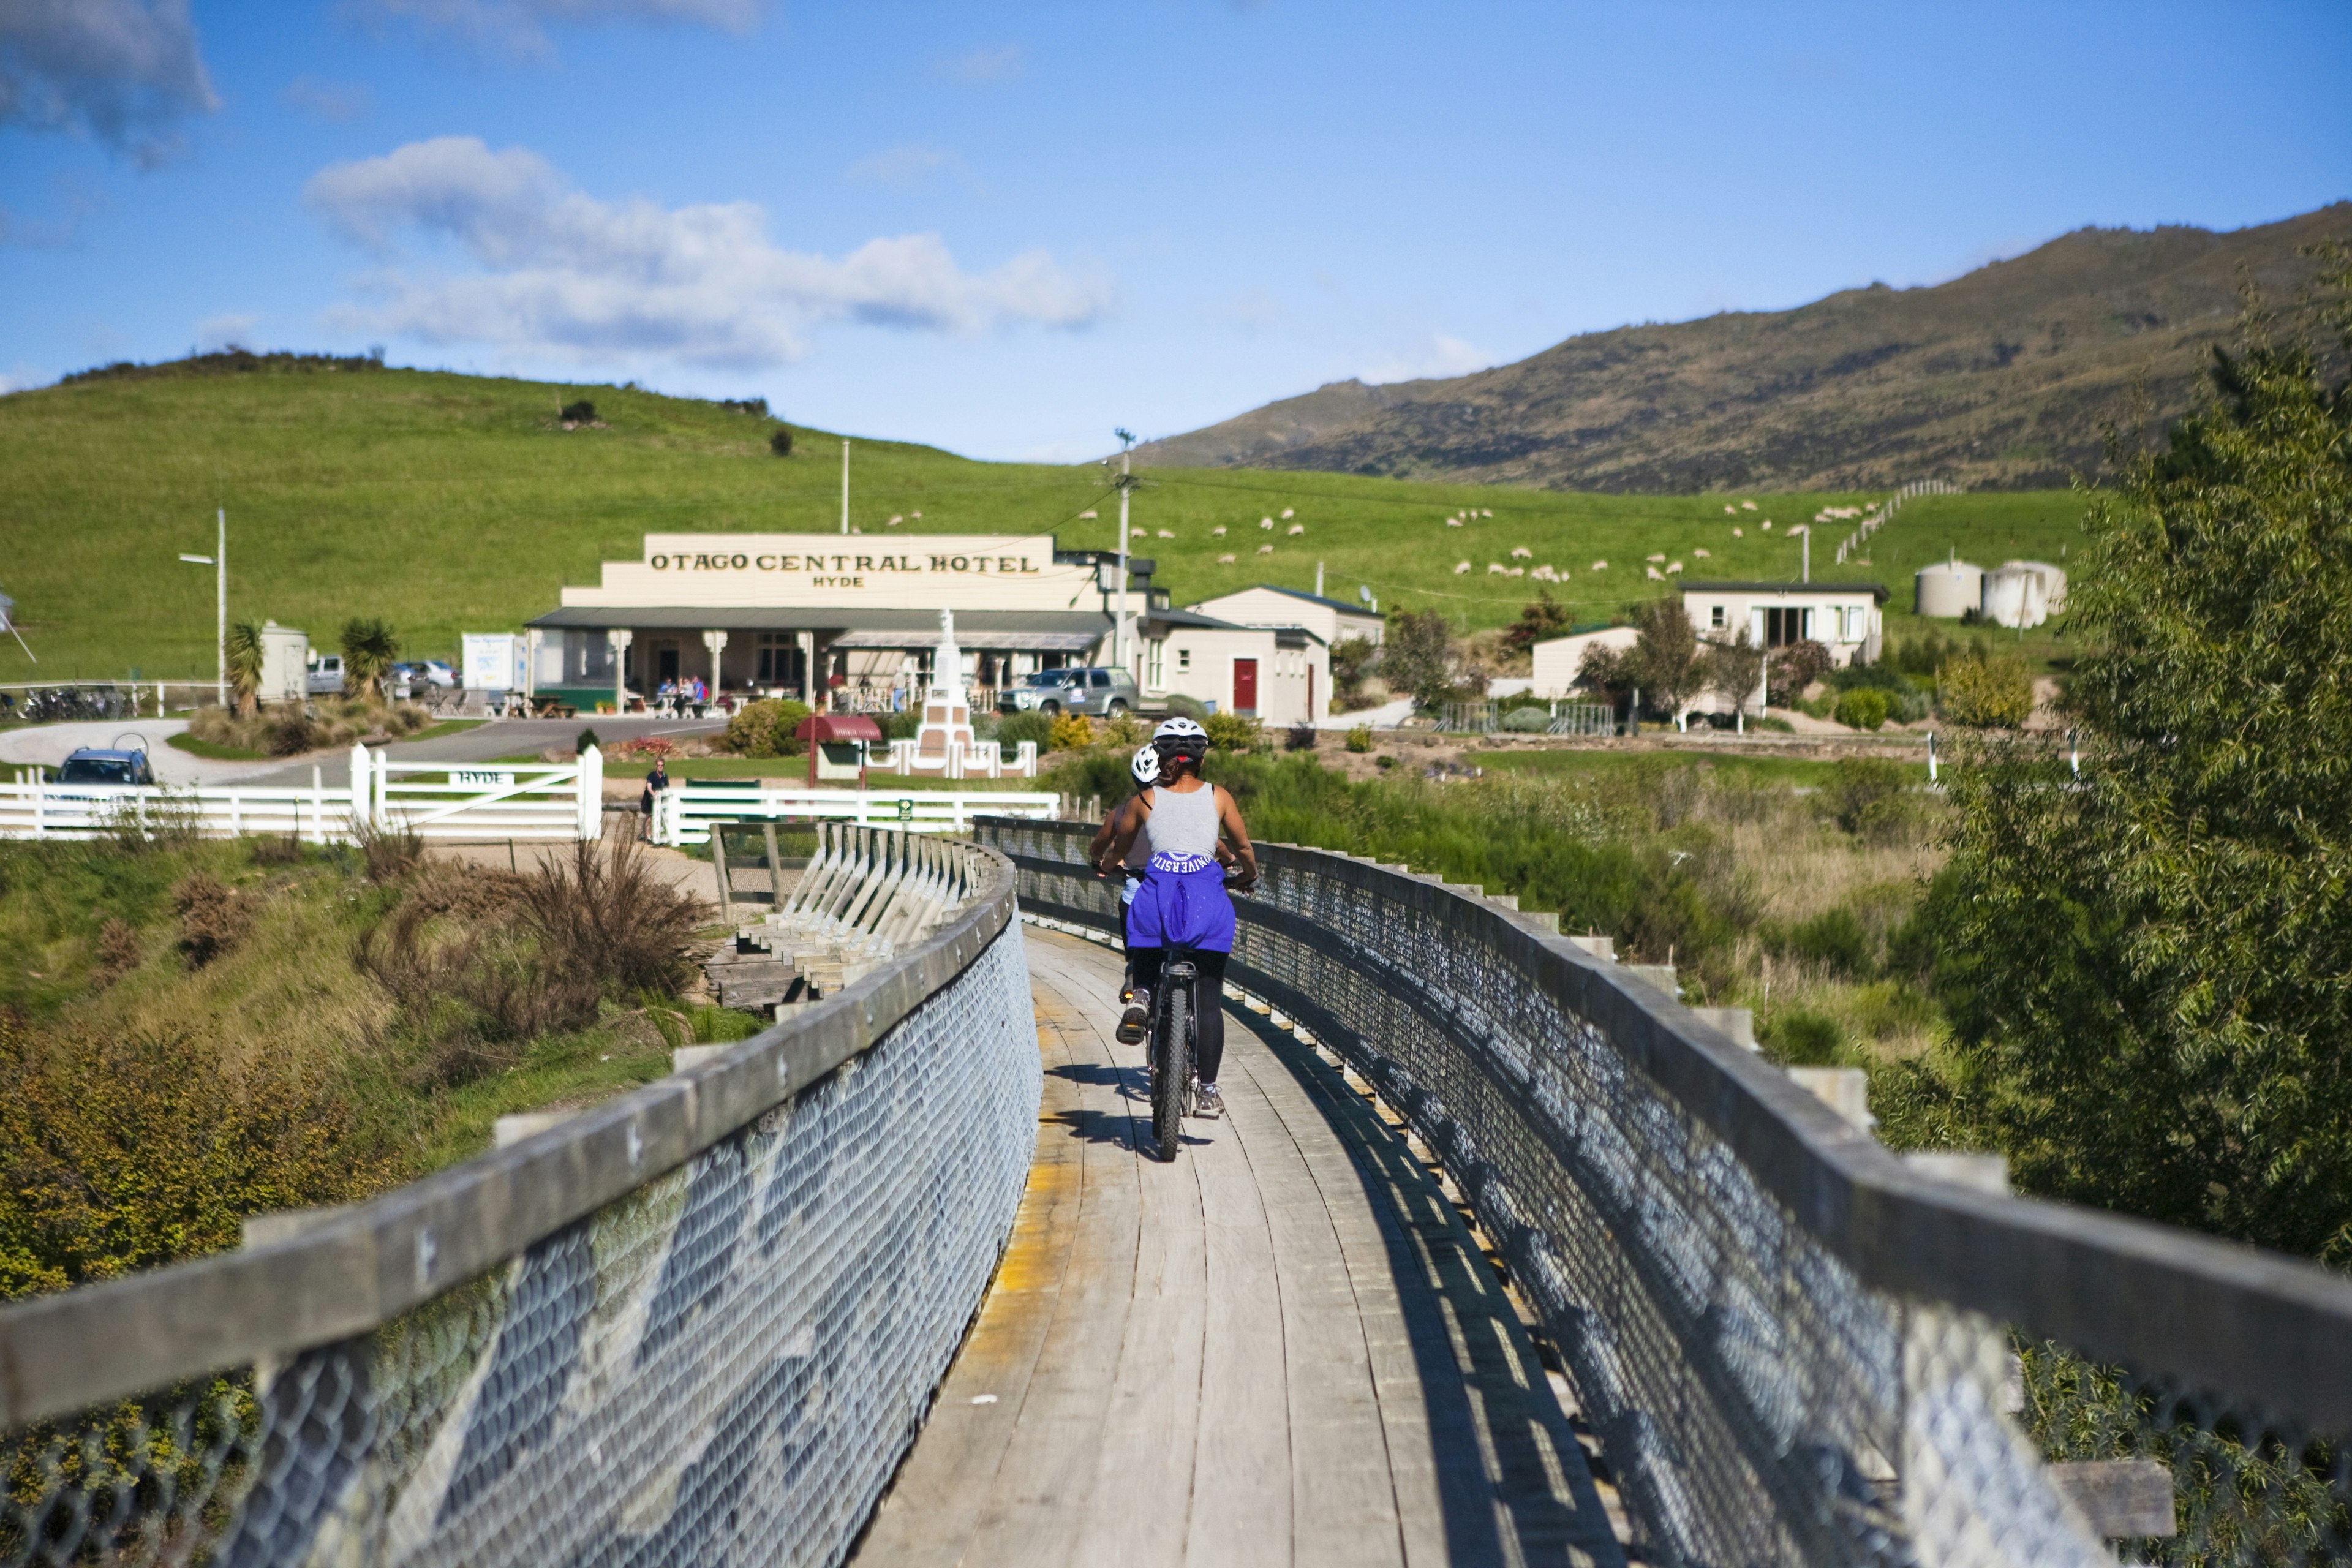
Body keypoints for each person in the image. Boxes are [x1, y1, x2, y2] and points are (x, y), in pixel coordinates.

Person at [1098, 716, 1258, 1120]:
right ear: (1201, 760)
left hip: (1157, 897)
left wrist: (1112, 866)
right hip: (1208, 900)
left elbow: (1119, 849)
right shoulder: (1219, 797)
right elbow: (1242, 847)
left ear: (1159, 755)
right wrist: (1248, 875)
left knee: (1149, 952)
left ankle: (1144, 995)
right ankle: (1206, 1092)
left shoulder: (1145, 801)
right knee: (1208, 999)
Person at [639, 756, 669, 841]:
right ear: (656, 766)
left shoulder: (665, 776)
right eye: (659, 765)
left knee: (659, 818)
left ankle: (657, 835)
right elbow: (649, 787)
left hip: (660, 800)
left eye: (662, 765)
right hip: (649, 799)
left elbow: (666, 788)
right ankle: (647, 835)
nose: (660, 767)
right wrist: (653, 794)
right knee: (650, 818)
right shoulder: (652, 775)